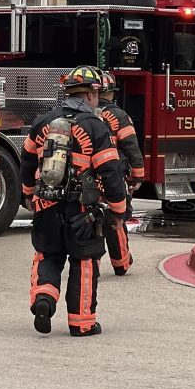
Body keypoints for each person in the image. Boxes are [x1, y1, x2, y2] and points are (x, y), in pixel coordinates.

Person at [22, 65, 128, 337]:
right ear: (92, 94)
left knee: (48, 255)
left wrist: (28, 193)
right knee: (84, 261)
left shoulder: (43, 122)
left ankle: (44, 299)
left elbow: (27, 159)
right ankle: (82, 324)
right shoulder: (95, 126)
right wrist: (118, 209)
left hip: (46, 206)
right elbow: (110, 171)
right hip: (83, 210)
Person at [98, 71, 144, 276]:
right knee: (116, 218)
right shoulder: (118, 115)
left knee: (90, 221)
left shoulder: (82, 114)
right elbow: (131, 146)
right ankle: (121, 262)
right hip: (114, 175)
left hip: (87, 176)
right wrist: (138, 175)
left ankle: (91, 263)